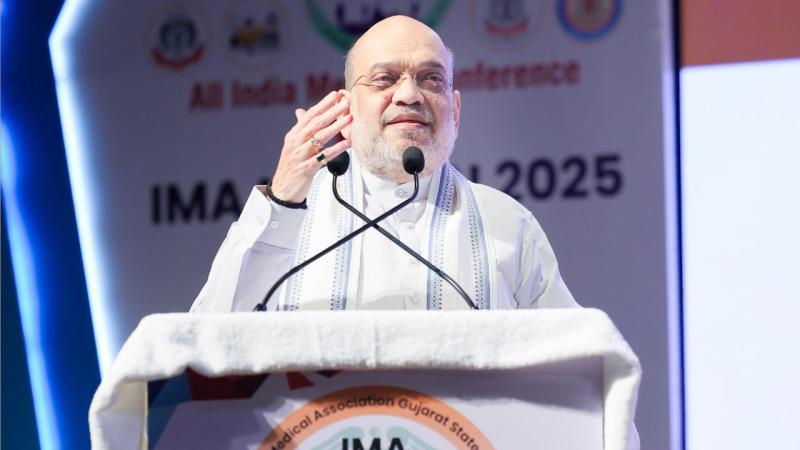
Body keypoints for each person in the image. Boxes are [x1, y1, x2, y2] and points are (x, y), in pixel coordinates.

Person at [190, 15, 578, 313]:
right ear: (347, 110)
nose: (409, 94)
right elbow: (210, 342)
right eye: (384, 79)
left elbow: (572, 362)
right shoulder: (290, 214)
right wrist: (282, 202)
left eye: (431, 79)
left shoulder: (508, 224)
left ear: (455, 111)